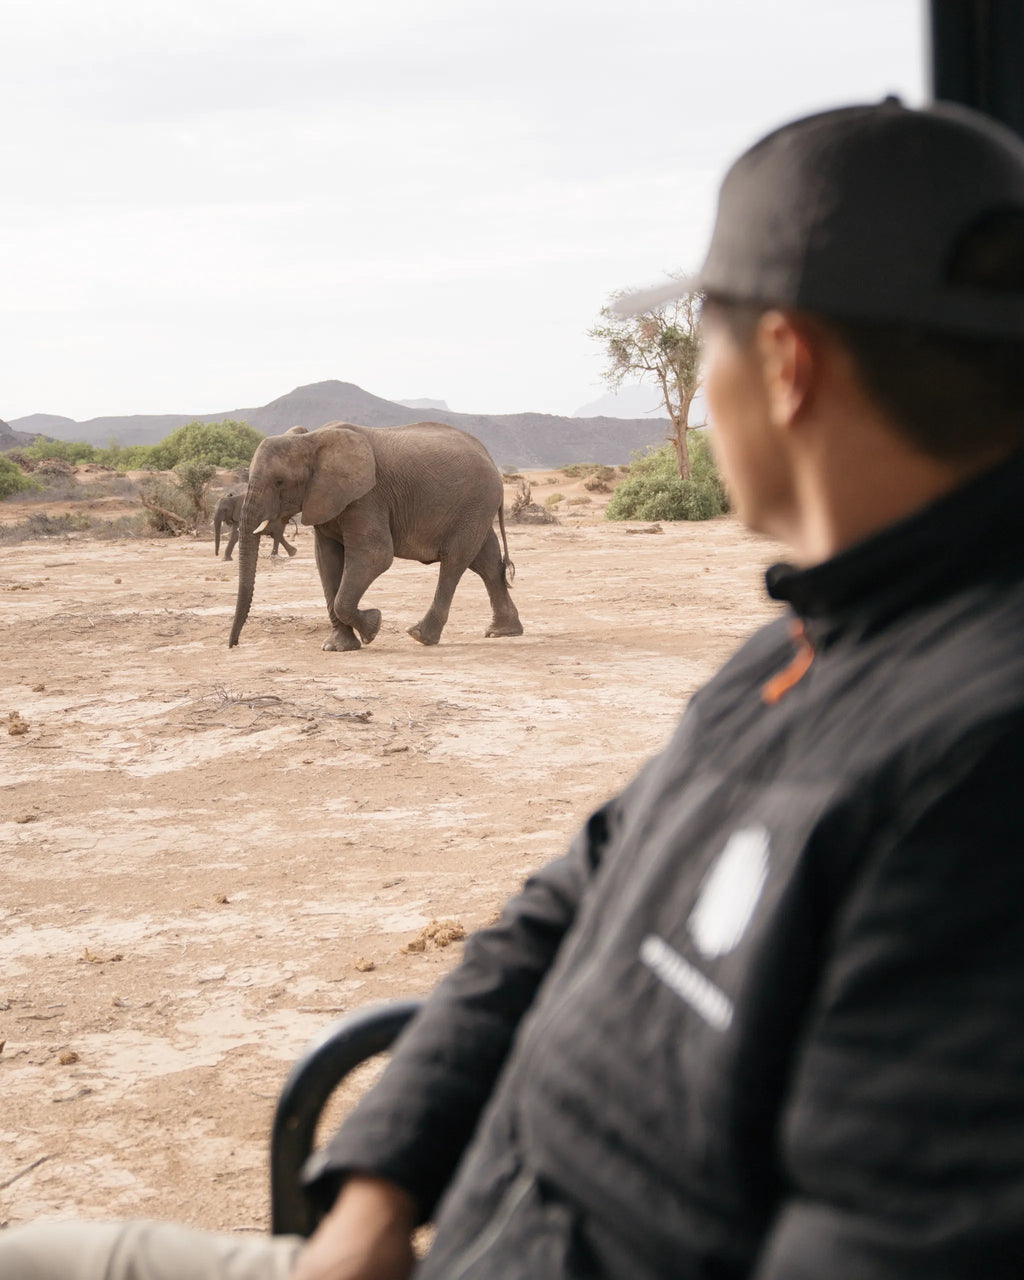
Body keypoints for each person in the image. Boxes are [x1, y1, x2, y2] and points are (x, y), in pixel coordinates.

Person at [7, 94, 1024, 1279]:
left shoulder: (975, 771)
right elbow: (562, 904)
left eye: (708, 344)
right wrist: (376, 1195)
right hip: (454, 1234)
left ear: (786, 365)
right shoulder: (806, 643)